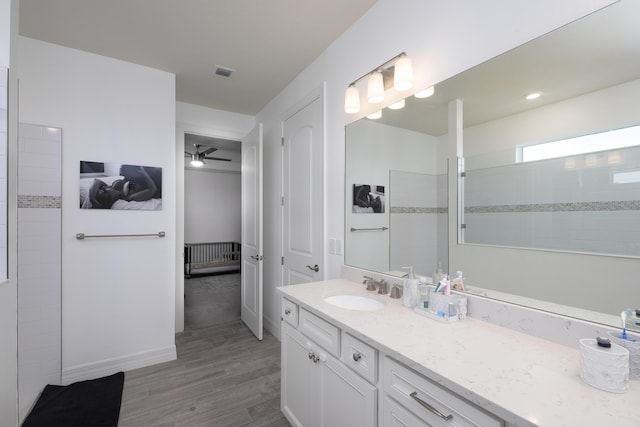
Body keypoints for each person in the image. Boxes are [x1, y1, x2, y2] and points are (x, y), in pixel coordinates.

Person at [89, 165, 157, 209]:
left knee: (125, 166)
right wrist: (143, 173)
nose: (104, 187)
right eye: (104, 191)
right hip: (150, 179)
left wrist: (92, 198)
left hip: (135, 177)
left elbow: (96, 181)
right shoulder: (131, 196)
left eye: (102, 188)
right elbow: (152, 189)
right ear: (111, 197)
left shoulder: (113, 187)